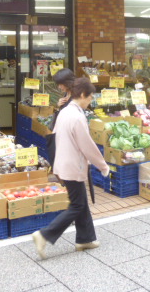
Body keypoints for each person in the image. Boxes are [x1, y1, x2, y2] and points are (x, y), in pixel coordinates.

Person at [32, 78, 110, 260]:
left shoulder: (65, 112)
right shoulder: (77, 116)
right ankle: (45, 235)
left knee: (80, 202)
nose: (90, 102)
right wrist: (103, 165)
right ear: (82, 95)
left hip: (63, 163)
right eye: (90, 98)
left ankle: (85, 239)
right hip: (73, 165)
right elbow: (87, 146)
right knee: (77, 205)